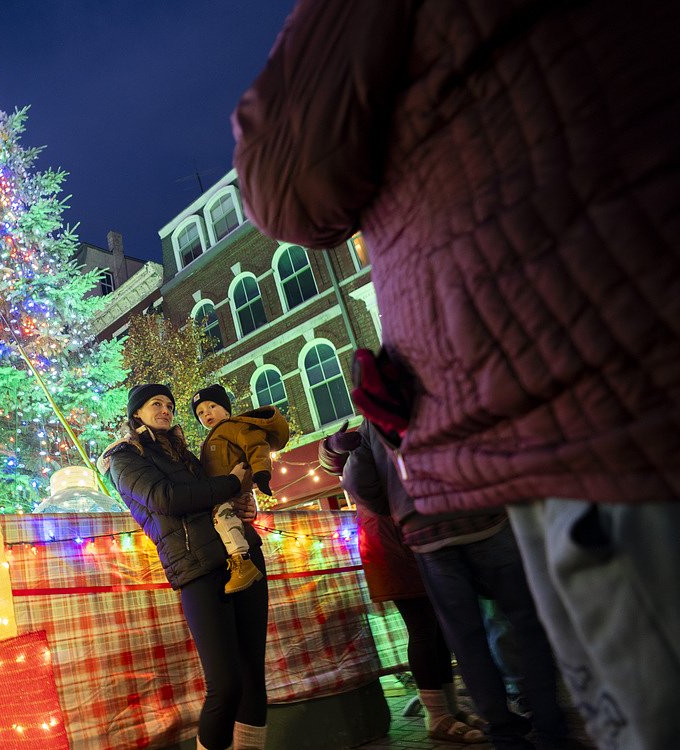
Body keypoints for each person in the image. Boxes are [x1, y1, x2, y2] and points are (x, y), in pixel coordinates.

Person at [232, 2, 680, 747]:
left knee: (636, 696)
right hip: (572, 388)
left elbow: (285, 174)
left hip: (568, 396)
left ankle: (511, 722)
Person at [323, 421, 572, 749]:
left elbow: (357, 479)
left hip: (426, 531)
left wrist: (401, 506)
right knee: (523, 621)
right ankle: (548, 724)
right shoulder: (447, 378)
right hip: (482, 513)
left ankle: (503, 732)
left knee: (465, 638)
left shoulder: (375, 408)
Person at [99, 384, 269, 750]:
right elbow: (167, 499)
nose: (165, 410)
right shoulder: (125, 458)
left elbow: (218, 495)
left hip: (243, 554)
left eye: (170, 405)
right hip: (198, 569)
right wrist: (230, 483)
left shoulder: (186, 455)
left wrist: (243, 499)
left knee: (253, 673)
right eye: (156, 404)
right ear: (137, 414)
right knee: (225, 684)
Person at [319, 426, 485, 744]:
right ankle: (436, 716)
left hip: (412, 536)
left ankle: (449, 709)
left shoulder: (397, 424)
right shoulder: (369, 432)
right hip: (389, 542)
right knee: (423, 627)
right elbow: (334, 464)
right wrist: (334, 445)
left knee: (435, 628)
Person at [190, 384, 289, 594]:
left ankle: (242, 562)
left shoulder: (234, 427)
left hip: (230, 491)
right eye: (200, 412)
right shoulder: (210, 440)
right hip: (222, 491)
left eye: (212, 406)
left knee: (223, 516)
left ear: (226, 409)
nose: (206, 413)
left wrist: (262, 472)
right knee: (225, 519)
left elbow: (256, 445)